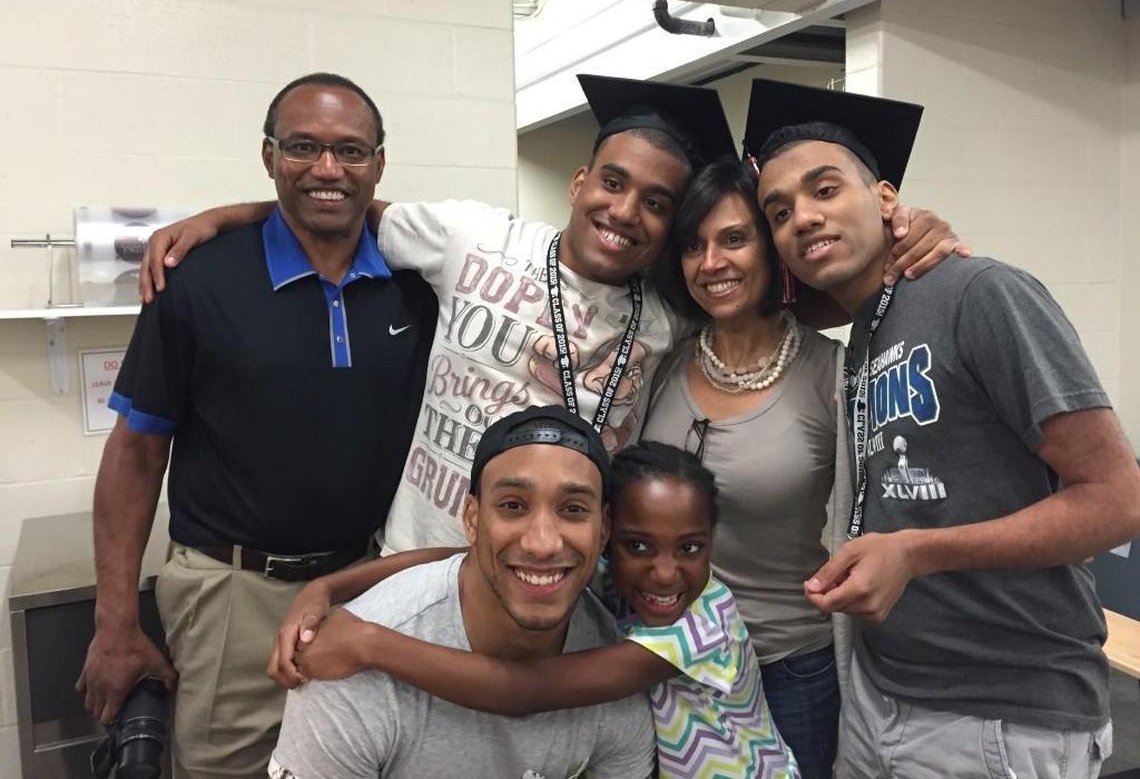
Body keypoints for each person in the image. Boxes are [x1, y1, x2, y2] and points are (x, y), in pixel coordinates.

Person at [137, 76, 961, 557]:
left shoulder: (671, 315)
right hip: (418, 565)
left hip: (556, 573)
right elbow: (339, 200)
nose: (623, 210)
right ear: (578, 182)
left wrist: (905, 235)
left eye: (656, 204)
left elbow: (773, 287)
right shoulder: (469, 235)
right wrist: (231, 215)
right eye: (611, 183)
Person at [746, 77, 1140, 777]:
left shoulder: (980, 292)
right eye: (779, 211)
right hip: (883, 693)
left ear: (887, 199)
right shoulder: (863, 331)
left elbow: (1119, 502)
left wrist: (915, 551)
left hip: (1002, 710)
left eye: (825, 189)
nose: (802, 217)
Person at [75, 72, 436, 779]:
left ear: (380, 164)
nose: (328, 168)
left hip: (367, 591)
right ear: (269, 155)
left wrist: (231, 209)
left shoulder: (416, 283)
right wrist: (114, 622)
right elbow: (138, 454)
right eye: (304, 147)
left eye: (351, 151)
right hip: (235, 598)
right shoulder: (196, 280)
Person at [269, 440, 800, 778]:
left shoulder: (702, 625)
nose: (665, 572)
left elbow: (523, 690)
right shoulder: (610, 571)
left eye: (690, 548)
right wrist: (327, 590)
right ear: (612, 539)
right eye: (640, 546)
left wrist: (370, 643)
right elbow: (471, 554)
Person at [267, 406, 657, 778]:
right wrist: (328, 588)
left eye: (572, 509)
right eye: (513, 505)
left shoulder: (618, 665)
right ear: (472, 519)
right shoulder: (343, 664)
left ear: (604, 529)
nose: (543, 543)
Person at [639, 158, 850, 778]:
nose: (712, 263)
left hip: (788, 667)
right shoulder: (666, 361)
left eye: (734, 238)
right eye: (693, 246)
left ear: (775, 249)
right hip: (669, 656)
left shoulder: (831, 375)